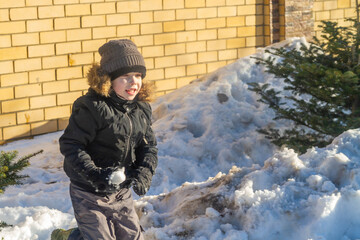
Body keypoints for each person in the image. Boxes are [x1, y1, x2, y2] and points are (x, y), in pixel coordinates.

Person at [54, 39, 158, 240]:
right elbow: (71, 144)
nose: (134, 82)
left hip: (121, 191)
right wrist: (95, 175)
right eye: (125, 77)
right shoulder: (92, 108)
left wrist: (144, 173)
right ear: (108, 80)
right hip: (89, 192)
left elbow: (149, 146)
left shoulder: (141, 109)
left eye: (138, 75)